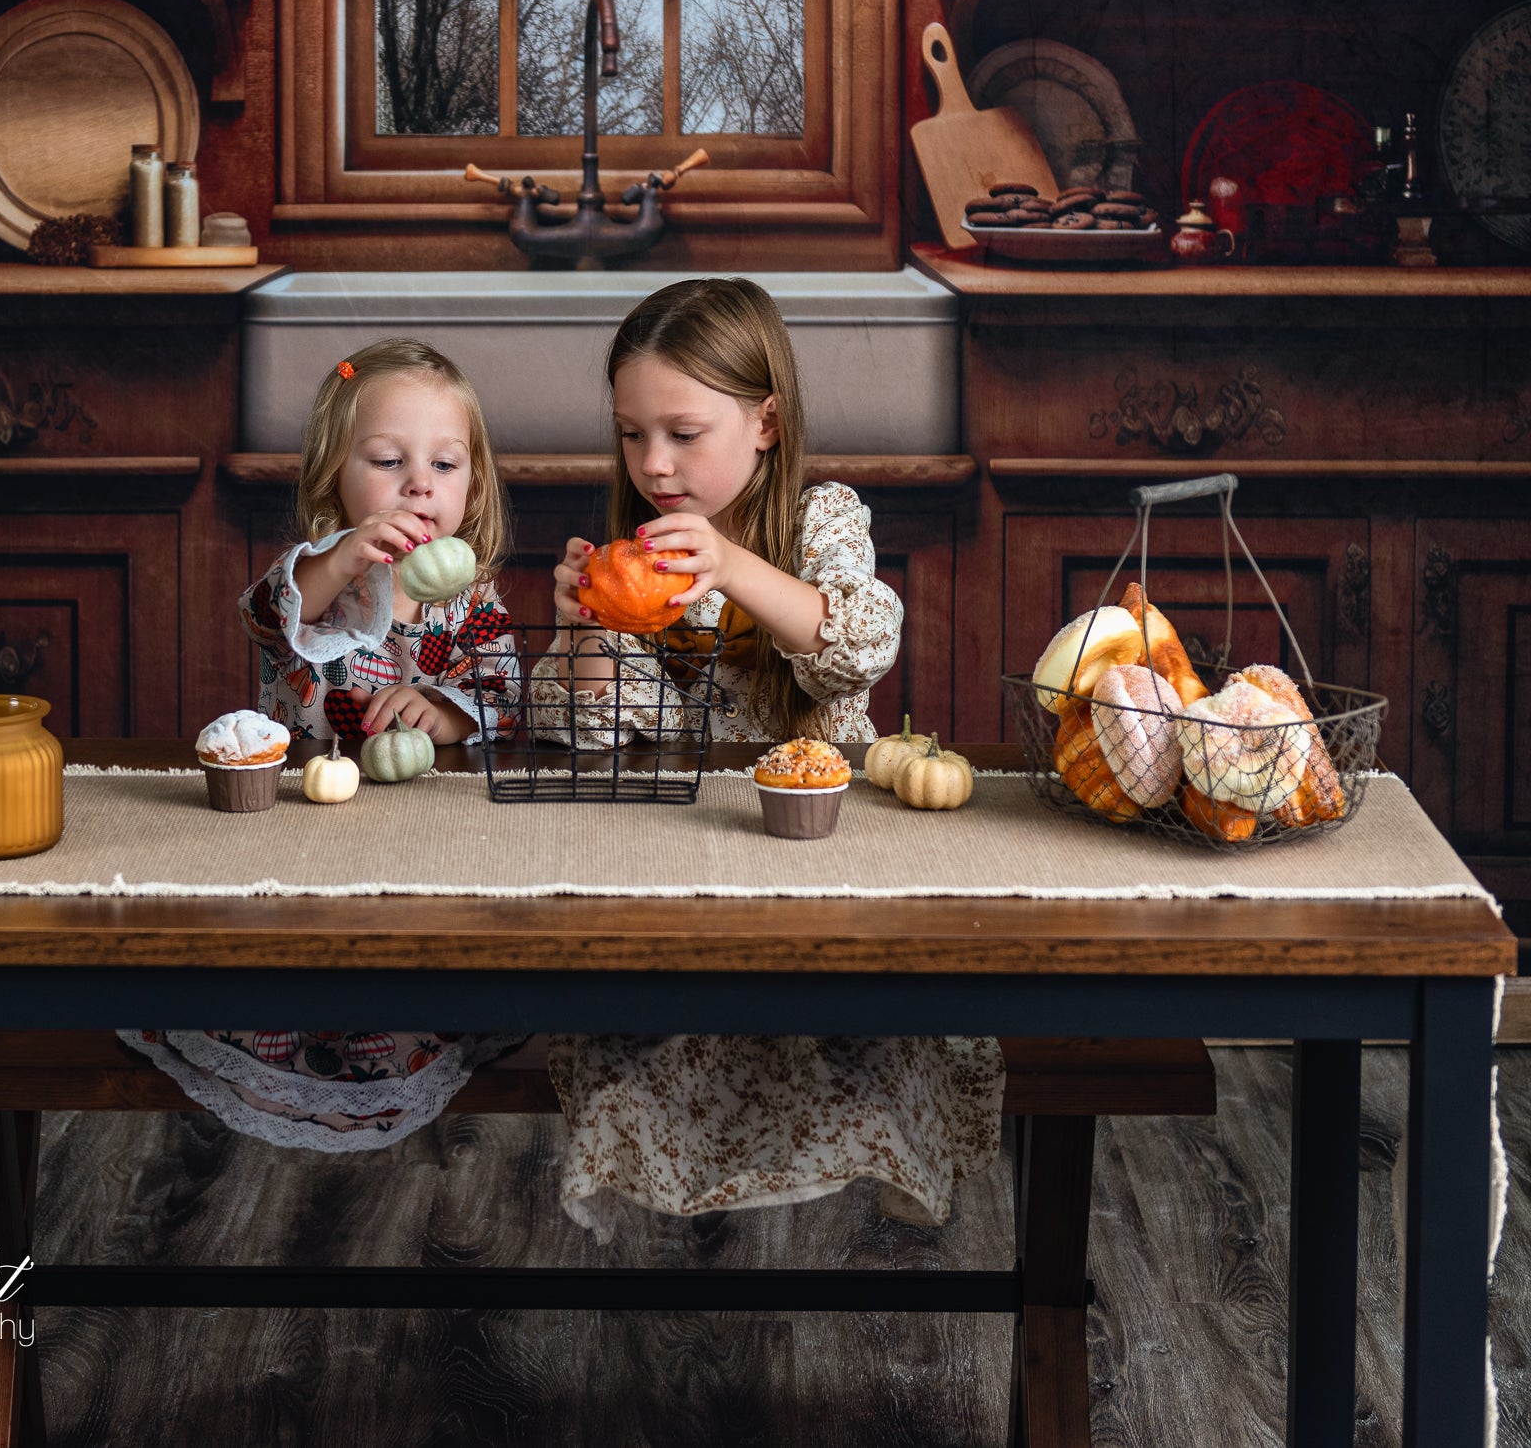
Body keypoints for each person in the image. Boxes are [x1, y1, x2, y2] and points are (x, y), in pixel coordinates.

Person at [531, 277, 1004, 1239]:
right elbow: (593, 726)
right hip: (684, 867)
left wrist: (732, 566)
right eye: (631, 434)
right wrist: (581, 631)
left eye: (683, 432)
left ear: (767, 423)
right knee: (655, 1036)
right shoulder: (637, 559)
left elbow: (860, 642)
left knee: (850, 1038)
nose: (654, 464)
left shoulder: (821, 521)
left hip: (826, 861)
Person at [119, 338, 522, 1145]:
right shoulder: (322, 578)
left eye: (446, 464)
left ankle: (407, 1050)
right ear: (334, 472)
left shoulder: (469, 599)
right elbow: (269, 613)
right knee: (308, 972)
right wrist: (342, 557)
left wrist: (444, 712)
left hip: (427, 851)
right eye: (387, 459)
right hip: (307, 835)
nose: (419, 483)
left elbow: (501, 696)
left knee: (415, 981)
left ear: (472, 484)